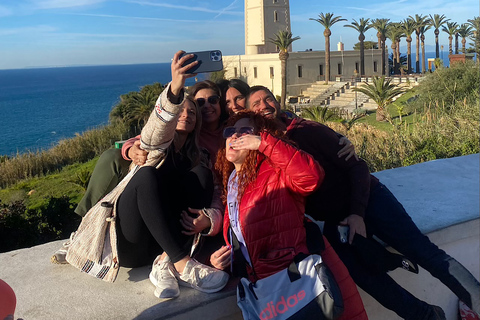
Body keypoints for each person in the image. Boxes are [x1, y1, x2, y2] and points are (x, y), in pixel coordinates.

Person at [245, 85, 480, 320]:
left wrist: (357, 213)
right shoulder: (261, 153)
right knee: (362, 275)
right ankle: (425, 315)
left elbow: (358, 166)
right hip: (336, 219)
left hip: (370, 199)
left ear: (278, 102)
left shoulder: (306, 131)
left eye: (269, 99)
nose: (264, 105)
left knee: (426, 253)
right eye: (256, 103)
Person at [212, 111, 368, 320]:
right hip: (271, 289)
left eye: (245, 131)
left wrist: (263, 143)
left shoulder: (274, 170)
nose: (235, 136)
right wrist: (226, 257)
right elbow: (248, 237)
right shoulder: (232, 183)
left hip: (296, 278)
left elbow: (311, 176)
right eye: (231, 131)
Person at [115, 51, 229, 300]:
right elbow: (154, 132)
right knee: (146, 175)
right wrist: (177, 86)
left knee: (201, 174)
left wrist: (211, 219)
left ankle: (166, 262)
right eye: (181, 110)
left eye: (192, 112)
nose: (186, 114)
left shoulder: (202, 157)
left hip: (161, 245)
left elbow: (217, 195)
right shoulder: (156, 148)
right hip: (132, 242)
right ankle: (181, 262)